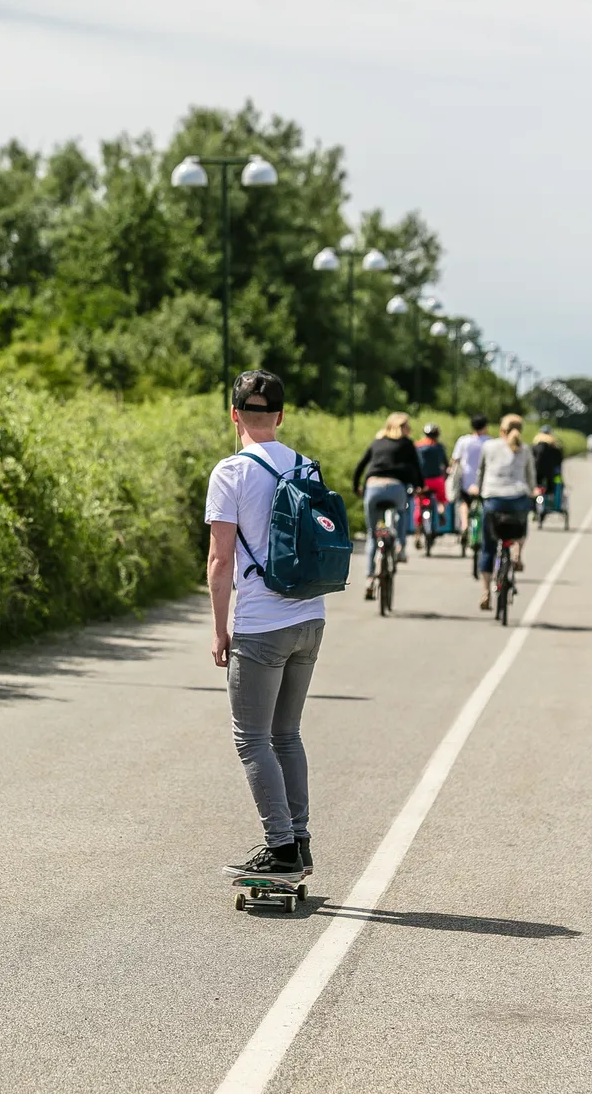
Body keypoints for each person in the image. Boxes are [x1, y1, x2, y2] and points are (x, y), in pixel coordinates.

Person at [205, 369, 323, 880]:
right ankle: (298, 840)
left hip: (261, 624)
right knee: (287, 734)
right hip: (310, 618)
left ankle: (280, 848)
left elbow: (219, 561)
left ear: (234, 414)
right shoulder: (307, 469)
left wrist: (219, 629)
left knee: (251, 739)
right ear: (280, 415)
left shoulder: (229, 472)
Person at [352, 411, 424, 598]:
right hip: (395, 487)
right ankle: (400, 546)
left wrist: (356, 488)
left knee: (371, 535)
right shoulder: (407, 444)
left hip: (373, 487)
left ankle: (369, 578)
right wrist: (419, 487)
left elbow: (360, 466)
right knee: (401, 512)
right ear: (401, 427)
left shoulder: (377, 442)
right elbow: (416, 468)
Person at [476, 414, 536, 609]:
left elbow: (481, 473)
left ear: (501, 430)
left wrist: (480, 495)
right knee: (521, 525)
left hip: (493, 498)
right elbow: (530, 478)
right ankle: (517, 553)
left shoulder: (489, 447)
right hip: (518, 498)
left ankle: (485, 592)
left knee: (488, 547)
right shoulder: (525, 449)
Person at [449, 415, 489, 545]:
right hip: (484, 481)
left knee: (464, 503)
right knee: (485, 505)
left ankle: (464, 525)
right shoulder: (489, 442)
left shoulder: (464, 441)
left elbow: (455, 460)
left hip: (467, 479)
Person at [531, 425, 565, 514]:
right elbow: (559, 461)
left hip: (537, 472)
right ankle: (551, 501)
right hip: (550, 473)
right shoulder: (554, 445)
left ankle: (534, 507)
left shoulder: (535, 444)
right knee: (553, 487)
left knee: (536, 487)